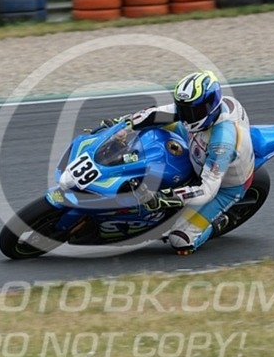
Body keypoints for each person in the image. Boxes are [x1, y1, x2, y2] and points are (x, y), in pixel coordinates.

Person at [103, 70, 255, 255]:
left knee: (180, 240)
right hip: (197, 141)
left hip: (224, 187)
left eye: (194, 111)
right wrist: (120, 126)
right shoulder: (195, 113)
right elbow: (154, 114)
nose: (186, 115)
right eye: (183, 109)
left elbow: (208, 190)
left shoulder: (222, 144)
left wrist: (163, 197)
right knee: (154, 124)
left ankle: (218, 222)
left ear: (210, 106)